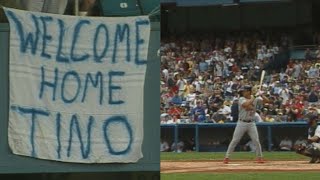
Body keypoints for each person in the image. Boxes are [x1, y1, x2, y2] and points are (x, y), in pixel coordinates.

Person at [223, 85, 269, 164]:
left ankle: (260, 157)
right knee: (235, 140)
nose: (243, 92)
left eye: (245, 91)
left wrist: (261, 95)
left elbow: (267, 101)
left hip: (251, 123)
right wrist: (254, 96)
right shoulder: (241, 99)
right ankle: (227, 157)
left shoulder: (256, 98)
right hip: (241, 123)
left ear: (249, 91)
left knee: (256, 141)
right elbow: (246, 105)